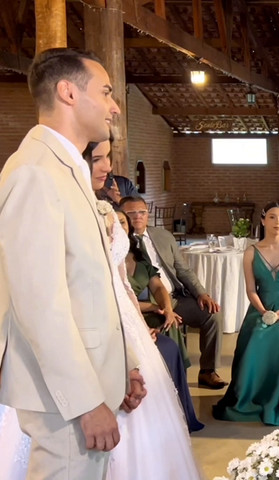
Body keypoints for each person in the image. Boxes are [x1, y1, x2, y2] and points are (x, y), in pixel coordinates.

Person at [0, 48, 145, 480]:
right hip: (64, 398)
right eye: (105, 92)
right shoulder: (34, 172)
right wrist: (86, 399)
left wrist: (123, 365)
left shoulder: (66, 169)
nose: (114, 105)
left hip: (88, 377)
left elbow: (89, 284)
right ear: (68, 92)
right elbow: (40, 303)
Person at [90, 141, 203, 433]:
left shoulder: (145, 248)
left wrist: (168, 305)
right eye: (120, 224)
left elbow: (164, 279)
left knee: (186, 321)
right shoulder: (101, 252)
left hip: (156, 305)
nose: (126, 227)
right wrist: (153, 311)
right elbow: (118, 297)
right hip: (126, 317)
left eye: (129, 223)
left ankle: (188, 400)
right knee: (167, 337)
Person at [213, 202, 279, 426]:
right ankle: (250, 398)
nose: (278, 222)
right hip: (261, 306)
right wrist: (264, 311)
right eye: (273, 217)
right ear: (263, 220)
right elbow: (250, 289)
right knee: (256, 336)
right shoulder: (250, 252)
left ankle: (278, 399)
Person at [120, 196, 227, 389]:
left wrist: (201, 293)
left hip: (174, 296)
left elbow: (183, 270)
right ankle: (171, 381)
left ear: (147, 214)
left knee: (212, 316)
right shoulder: (120, 242)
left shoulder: (163, 236)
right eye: (131, 213)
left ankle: (207, 371)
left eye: (142, 212)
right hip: (145, 302)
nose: (137, 217)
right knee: (167, 324)